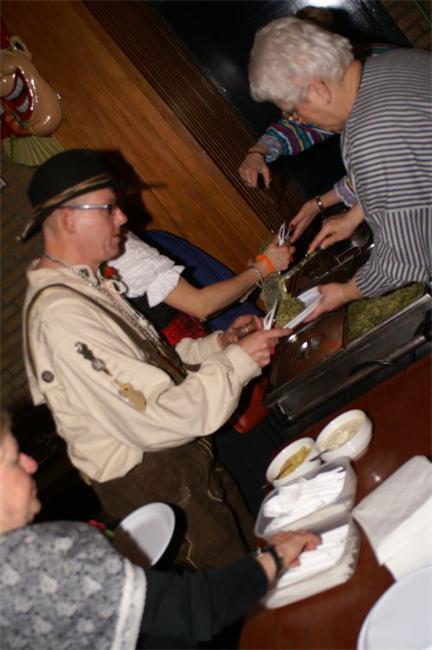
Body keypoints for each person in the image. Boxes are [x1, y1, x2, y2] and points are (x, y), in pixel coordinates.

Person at [21, 148, 290, 570]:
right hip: (154, 477)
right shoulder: (61, 315)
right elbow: (152, 416)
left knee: (259, 557)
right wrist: (238, 363)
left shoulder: (82, 286)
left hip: (179, 461)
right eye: (108, 207)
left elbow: (150, 365)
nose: (122, 217)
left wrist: (219, 346)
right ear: (69, 219)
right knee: (243, 588)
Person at [0, 413, 320, 649]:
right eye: (14, 461)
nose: (32, 465)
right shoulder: (41, 555)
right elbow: (194, 609)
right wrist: (276, 555)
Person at [248, 16, 431, 319]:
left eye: (292, 112)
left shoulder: (367, 136)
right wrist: (354, 215)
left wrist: (344, 293)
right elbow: (413, 168)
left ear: (317, 90)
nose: (299, 121)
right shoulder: (397, 63)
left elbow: (405, 260)